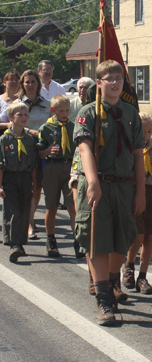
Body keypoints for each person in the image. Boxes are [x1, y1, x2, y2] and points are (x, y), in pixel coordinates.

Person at [73, 60, 145, 326]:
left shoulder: (131, 114)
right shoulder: (88, 113)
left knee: (122, 239)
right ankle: (104, 300)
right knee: (97, 241)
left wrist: (140, 192)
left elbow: (138, 155)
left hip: (124, 186)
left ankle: (112, 279)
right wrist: (92, 181)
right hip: (98, 184)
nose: (115, 83)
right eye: (109, 79)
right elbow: (85, 149)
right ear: (99, 84)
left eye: (119, 78)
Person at [122, 112, 152, 294]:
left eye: (149, 131)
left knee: (149, 237)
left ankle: (143, 276)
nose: (146, 136)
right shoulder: (129, 148)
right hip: (135, 193)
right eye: (142, 132)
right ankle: (129, 265)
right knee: (137, 235)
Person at [36, 95, 76, 258]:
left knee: (72, 207)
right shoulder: (46, 128)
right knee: (51, 207)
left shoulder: (74, 126)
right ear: (53, 110)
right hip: (52, 167)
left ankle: (77, 240)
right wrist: (47, 152)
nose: (65, 113)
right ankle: (51, 240)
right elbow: (38, 152)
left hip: (70, 167)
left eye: (67, 110)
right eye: (61, 111)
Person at [15, 70, 52, 240]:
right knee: (27, 188)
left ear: (38, 84)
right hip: (23, 151)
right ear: (22, 84)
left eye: (33, 81)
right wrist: (29, 131)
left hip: (42, 151)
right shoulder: (16, 104)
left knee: (37, 189)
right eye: (27, 82)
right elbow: (10, 126)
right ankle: (28, 224)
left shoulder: (47, 103)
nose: (30, 85)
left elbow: (53, 123)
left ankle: (30, 218)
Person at [0, 102, 36, 262]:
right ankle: (13, 244)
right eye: (19, 114)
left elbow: (33, 164)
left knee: (23, 211)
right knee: (12, 212)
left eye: (25, 114)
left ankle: (21, 242)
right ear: (10, 117)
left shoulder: (29, 139)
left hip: (25, 178)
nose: (23, 117)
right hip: (9, 178)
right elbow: (0, 164)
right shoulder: (4, 139)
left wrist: (34, 184)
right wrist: (0, 185)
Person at [0, 71, 21, 135]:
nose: (14, 82)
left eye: (16, 80)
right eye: (11, 79)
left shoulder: (22, 100)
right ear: (4, 82)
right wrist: (6, 125)